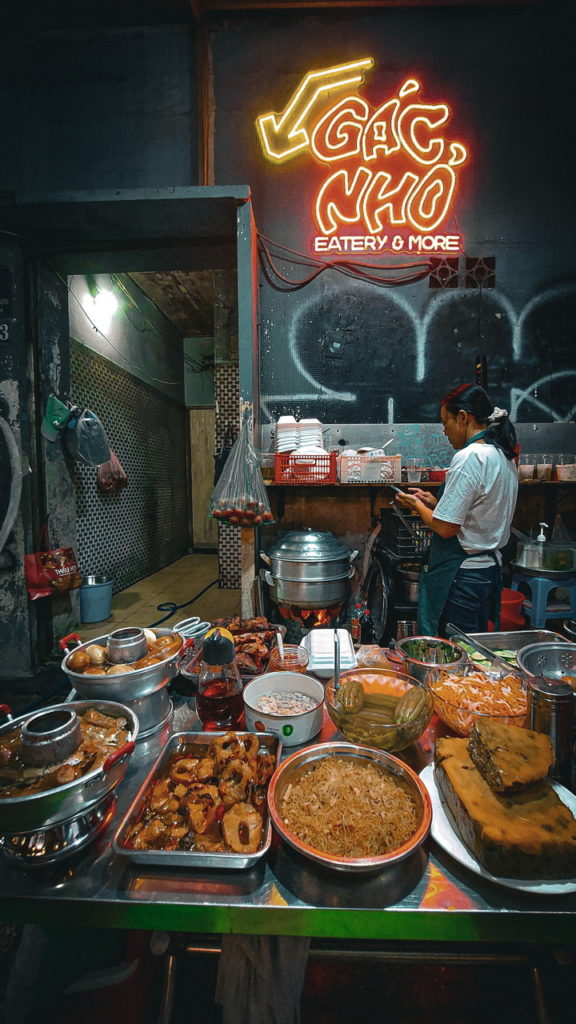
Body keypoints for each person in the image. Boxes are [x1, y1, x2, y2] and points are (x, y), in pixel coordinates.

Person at [395, 383, 518, 637]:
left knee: (456, 650)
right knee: (474, 646)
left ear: (462, 417)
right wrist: (435, 503)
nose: (444, 431)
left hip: (462, 576)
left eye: (445, 422)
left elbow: (445, 528)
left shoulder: (470, 457)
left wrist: (416, 505)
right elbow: (480, 512)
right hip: (487, 571)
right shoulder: (502, 455)